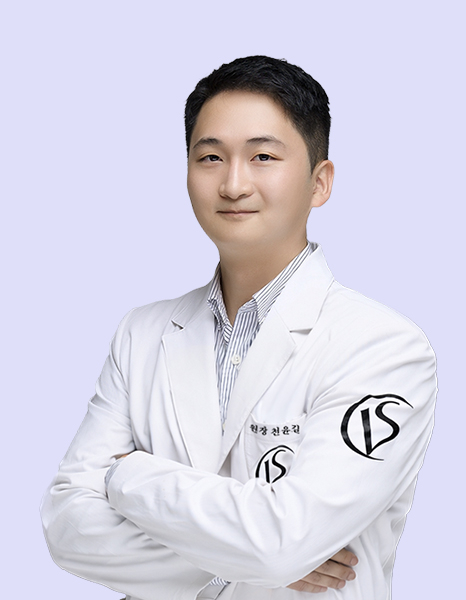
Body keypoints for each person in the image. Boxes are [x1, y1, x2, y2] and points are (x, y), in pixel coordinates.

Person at [41, 56, 437, 600]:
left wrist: (124, 476)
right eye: (210, 157)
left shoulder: (383, 346)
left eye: (263, 156)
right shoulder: (141, 334)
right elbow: (67, 528)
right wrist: (248, 558)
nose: (232, 183)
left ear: (319, 182)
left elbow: (283, 544)